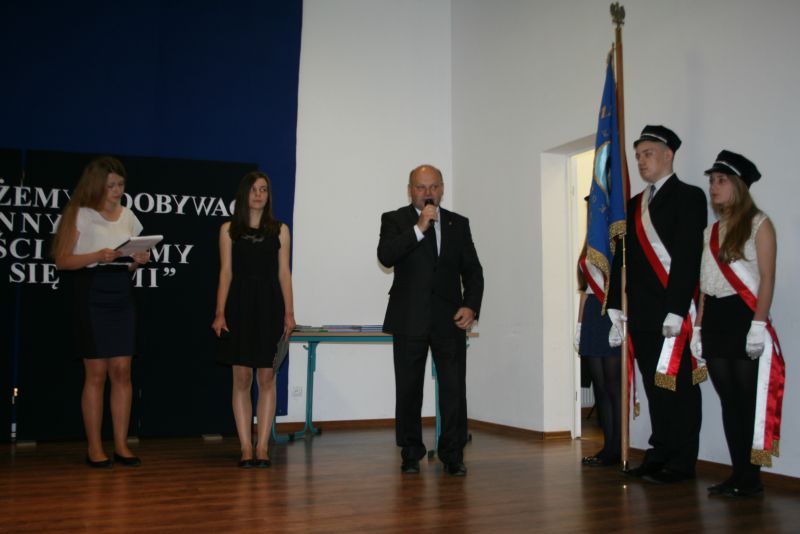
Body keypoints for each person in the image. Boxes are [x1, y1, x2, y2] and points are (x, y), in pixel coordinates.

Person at [607, 125, 707, 483]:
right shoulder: (634, 205)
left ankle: (682, 460)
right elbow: (622, 260)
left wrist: (677, 310)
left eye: (647, 154)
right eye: (638, 156)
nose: (641, 161)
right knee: (654, 388)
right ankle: (660, 450)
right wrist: (615, 306)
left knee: (679, 388)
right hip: (642, 314)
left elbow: (687, 257)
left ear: (668, 155)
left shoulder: (689, 197)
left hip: (671, 313)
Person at [378, 164, 483, 476]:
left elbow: (473, 271)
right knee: (408, 389)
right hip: (409, 317)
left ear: (442, 189)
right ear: (410, 190)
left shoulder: (457, 223)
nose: (428, 193)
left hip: (449, 320)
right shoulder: (394, 219)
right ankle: (411, 453)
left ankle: (452, 453)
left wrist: (471, 306)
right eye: (421, 187)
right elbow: (386, 256)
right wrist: (419, 228)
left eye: (434, 187)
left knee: (454, 389)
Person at [691, 150, 782, 497]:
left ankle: (751, 478)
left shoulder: (759, 224)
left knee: (745, 399)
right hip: (715, 316)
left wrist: (758, 324)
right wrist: (698, 326)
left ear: (739, 186)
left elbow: (767, 278)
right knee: (728, 400)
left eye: (721, 180)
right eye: (712, 180)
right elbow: (705, 283)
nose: (713, 186)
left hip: (744, 316)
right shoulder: (711, 231)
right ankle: (737, 473)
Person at [52, 156, 151, 468]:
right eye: (111, 185)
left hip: (120, 292)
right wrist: (97, 255)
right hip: (90, 292)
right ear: (96, 185)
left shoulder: (128, 215)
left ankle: (121, 444)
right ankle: (94, 447)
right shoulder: (79, 214)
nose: (117, 190)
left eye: (120, 184)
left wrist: (137, 260)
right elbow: (62, 260)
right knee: (95, 373)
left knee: (122, 370)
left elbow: (129, 263)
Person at [212, 171, 295, 468]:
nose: (259, 195)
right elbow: (226, 273)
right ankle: (245, 447)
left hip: (270, 306)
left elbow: (284, 273)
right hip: (239, 306)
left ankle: (262, 447)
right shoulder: (228, 230)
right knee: (242, 378)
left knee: (267, 377)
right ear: (244, 193)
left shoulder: (280, 230)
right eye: (254, 189)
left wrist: (289, 313)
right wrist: (220, 312)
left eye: (264, 190)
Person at [575, 230, 621, 467]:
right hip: (593, 312)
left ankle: (619, 447)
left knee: (614, 386)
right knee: (600, 387)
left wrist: (620, 320)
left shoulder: (616, 241)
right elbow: (585, 289)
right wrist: (579, 325)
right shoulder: (591, 241)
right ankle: (608, 446)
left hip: (611, 312)